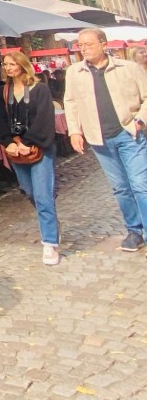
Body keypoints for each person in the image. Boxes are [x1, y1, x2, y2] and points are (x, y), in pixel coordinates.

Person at [64, 27, 147, 253]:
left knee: (140, 184)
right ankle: (134, 231)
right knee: (120, 188)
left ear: (103, 44)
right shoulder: (74, 73)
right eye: (80, 45)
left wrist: (139, 120)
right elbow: (70, 103)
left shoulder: (128, 68)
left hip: (128, 134)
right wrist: (74, 131)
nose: (84, 49)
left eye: (88, 44)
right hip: (99, 139)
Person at [0, 50, 61, 264]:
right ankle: (51, 222)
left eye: (12, 64)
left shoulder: (40, 89)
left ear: (22, 65)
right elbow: (1, 120)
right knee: (30, 191)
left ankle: (50, 242)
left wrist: (27, 142)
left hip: (38, 146)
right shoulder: (2, 92)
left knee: (43, 195)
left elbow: (44, 119)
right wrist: (8, 142)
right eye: (5, 64)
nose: (8, 68)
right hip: (16, 149)